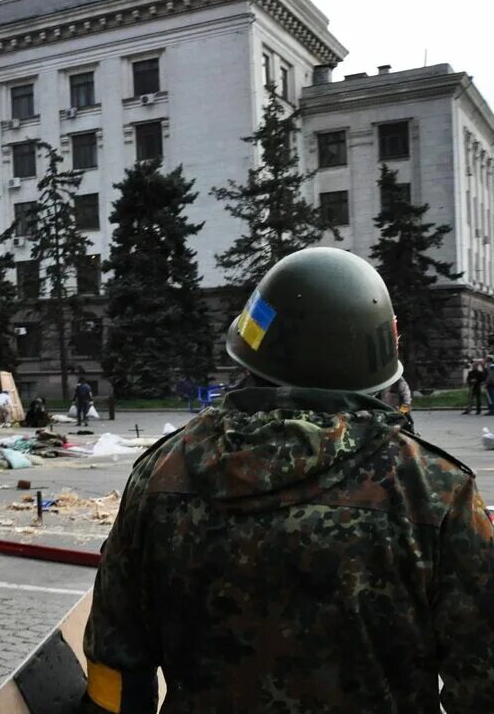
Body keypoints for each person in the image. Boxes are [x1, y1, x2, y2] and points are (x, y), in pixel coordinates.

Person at [81, 248, 494, 713]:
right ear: (379, 357)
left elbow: (115, 665)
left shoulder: (159, 475)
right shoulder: (434, 490)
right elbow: (482, 681)